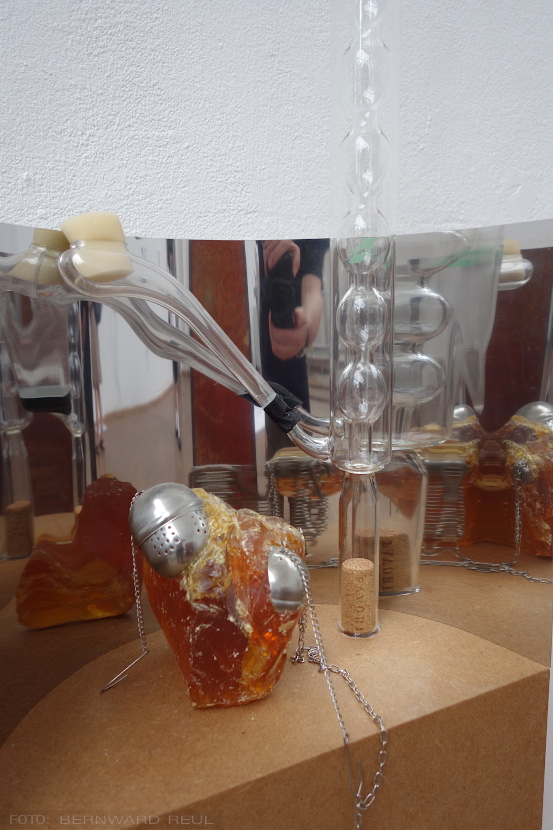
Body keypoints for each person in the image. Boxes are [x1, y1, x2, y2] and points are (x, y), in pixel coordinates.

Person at [259, 238, 328, 412]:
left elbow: (312, 290)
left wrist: (306, 328)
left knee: (294, 426)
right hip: (237, 355)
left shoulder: (307, 226)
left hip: (289, 364)